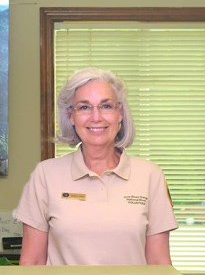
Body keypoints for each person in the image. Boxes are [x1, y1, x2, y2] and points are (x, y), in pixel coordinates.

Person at [14, 68, 178, 266]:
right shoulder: (46, 175)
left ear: (120, 114)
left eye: (106, 106)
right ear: (71, 116)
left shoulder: (150, 176)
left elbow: (159, 262)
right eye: (84, 107)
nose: (96, 116)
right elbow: (32, 261)